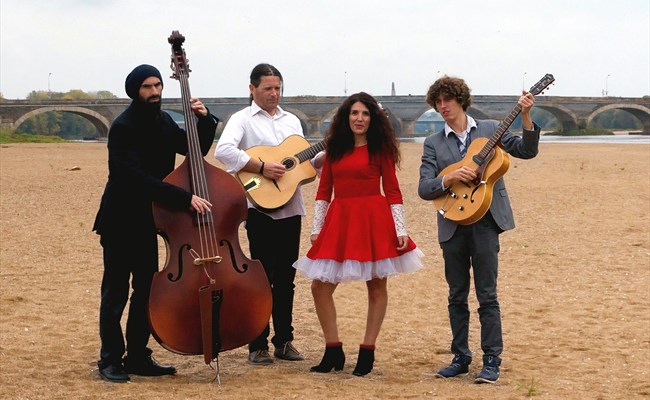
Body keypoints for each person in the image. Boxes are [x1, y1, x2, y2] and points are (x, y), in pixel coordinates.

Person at [93, 64, 217, 383]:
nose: (155, 92)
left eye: (159, 85)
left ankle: (136, 355)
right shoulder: (123, 126)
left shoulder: (163, 120)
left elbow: (194, 150)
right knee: (116, 292)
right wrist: (184, 198)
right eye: (148, 87)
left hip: (148, 221)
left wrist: (204, 119)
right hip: (120, 221)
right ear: (135, 90)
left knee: (145, 291)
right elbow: (133, 178)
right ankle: (108, 359)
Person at [418, 75, 540, 384]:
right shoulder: (432, 143)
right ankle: (460, 356)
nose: (442, 106)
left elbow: (526, 151)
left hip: (486, 221)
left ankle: (491, 360)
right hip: (452, 224)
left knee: (487, 294)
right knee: (456, 294)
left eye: (447, 100)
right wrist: (448, 178)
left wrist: (525, 115)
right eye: (437, 102)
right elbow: (423, 187)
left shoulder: (489, 130)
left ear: (460, 100)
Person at [294, 92, 424, 376]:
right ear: (346, 117)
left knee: (377, 287)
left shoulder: (380, 150)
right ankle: (333, 350)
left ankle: (367, 352)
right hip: (340, 220)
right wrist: (317, 229)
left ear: (372, 118)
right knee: (320, 287)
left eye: (365, 114)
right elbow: (323, 191)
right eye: (354, 113)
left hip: (374, 219)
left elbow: (392, 190)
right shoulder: (333, 150)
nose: (359, 118)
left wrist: (401, 229)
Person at [214, 63, 319, 365]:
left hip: (291, 208)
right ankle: (257, 344)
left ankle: (284, 341)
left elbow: (301, 166)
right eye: (267, 89)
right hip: (258, 207)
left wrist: (323, 158)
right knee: (261, 277)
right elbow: (224, 151)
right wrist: (260, 167)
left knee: (287, 278)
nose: (274, 94)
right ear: (252, 89)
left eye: (277, 89)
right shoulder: (241, 119)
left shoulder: (292, 122)